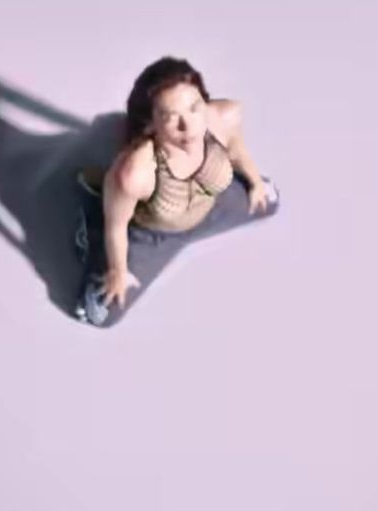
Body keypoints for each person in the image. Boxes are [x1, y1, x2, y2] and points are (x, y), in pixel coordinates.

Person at [72, 56, 281, 327]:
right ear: (150, 124)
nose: (189, 125)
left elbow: (237, 150)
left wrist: (254, 182)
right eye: (171, 118)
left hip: (211, 207)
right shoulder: (135, 173)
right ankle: (92, 212)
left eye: (195, 107)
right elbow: (117, 226)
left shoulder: (222, 117)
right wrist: (118, 272)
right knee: (100, 315)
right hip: (153, 234)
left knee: (272, 199)